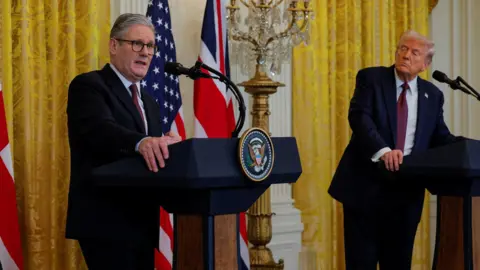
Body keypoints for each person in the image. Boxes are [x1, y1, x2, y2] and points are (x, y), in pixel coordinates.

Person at [328, 30, 460, 269]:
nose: (406, 55)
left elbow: (441, 136)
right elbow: (360, 118)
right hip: (365, 189)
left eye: (414, 52)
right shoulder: (372, 79)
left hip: (406, 195)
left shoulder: (433, 95)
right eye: (403, 49)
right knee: (361, 263)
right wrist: (384, 150)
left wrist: (469, 146)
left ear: (425, 64)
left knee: (398, 264)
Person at [65, 13, 181, 270]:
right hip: (105, 220)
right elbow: (100, 130)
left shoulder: (149, 103)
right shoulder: (89, 86)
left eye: (150, 46)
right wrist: (143, 142)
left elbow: (151, 152)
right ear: (114, 45)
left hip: (142, 220)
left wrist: (169, 146)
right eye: (137, 44)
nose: (146, 52)